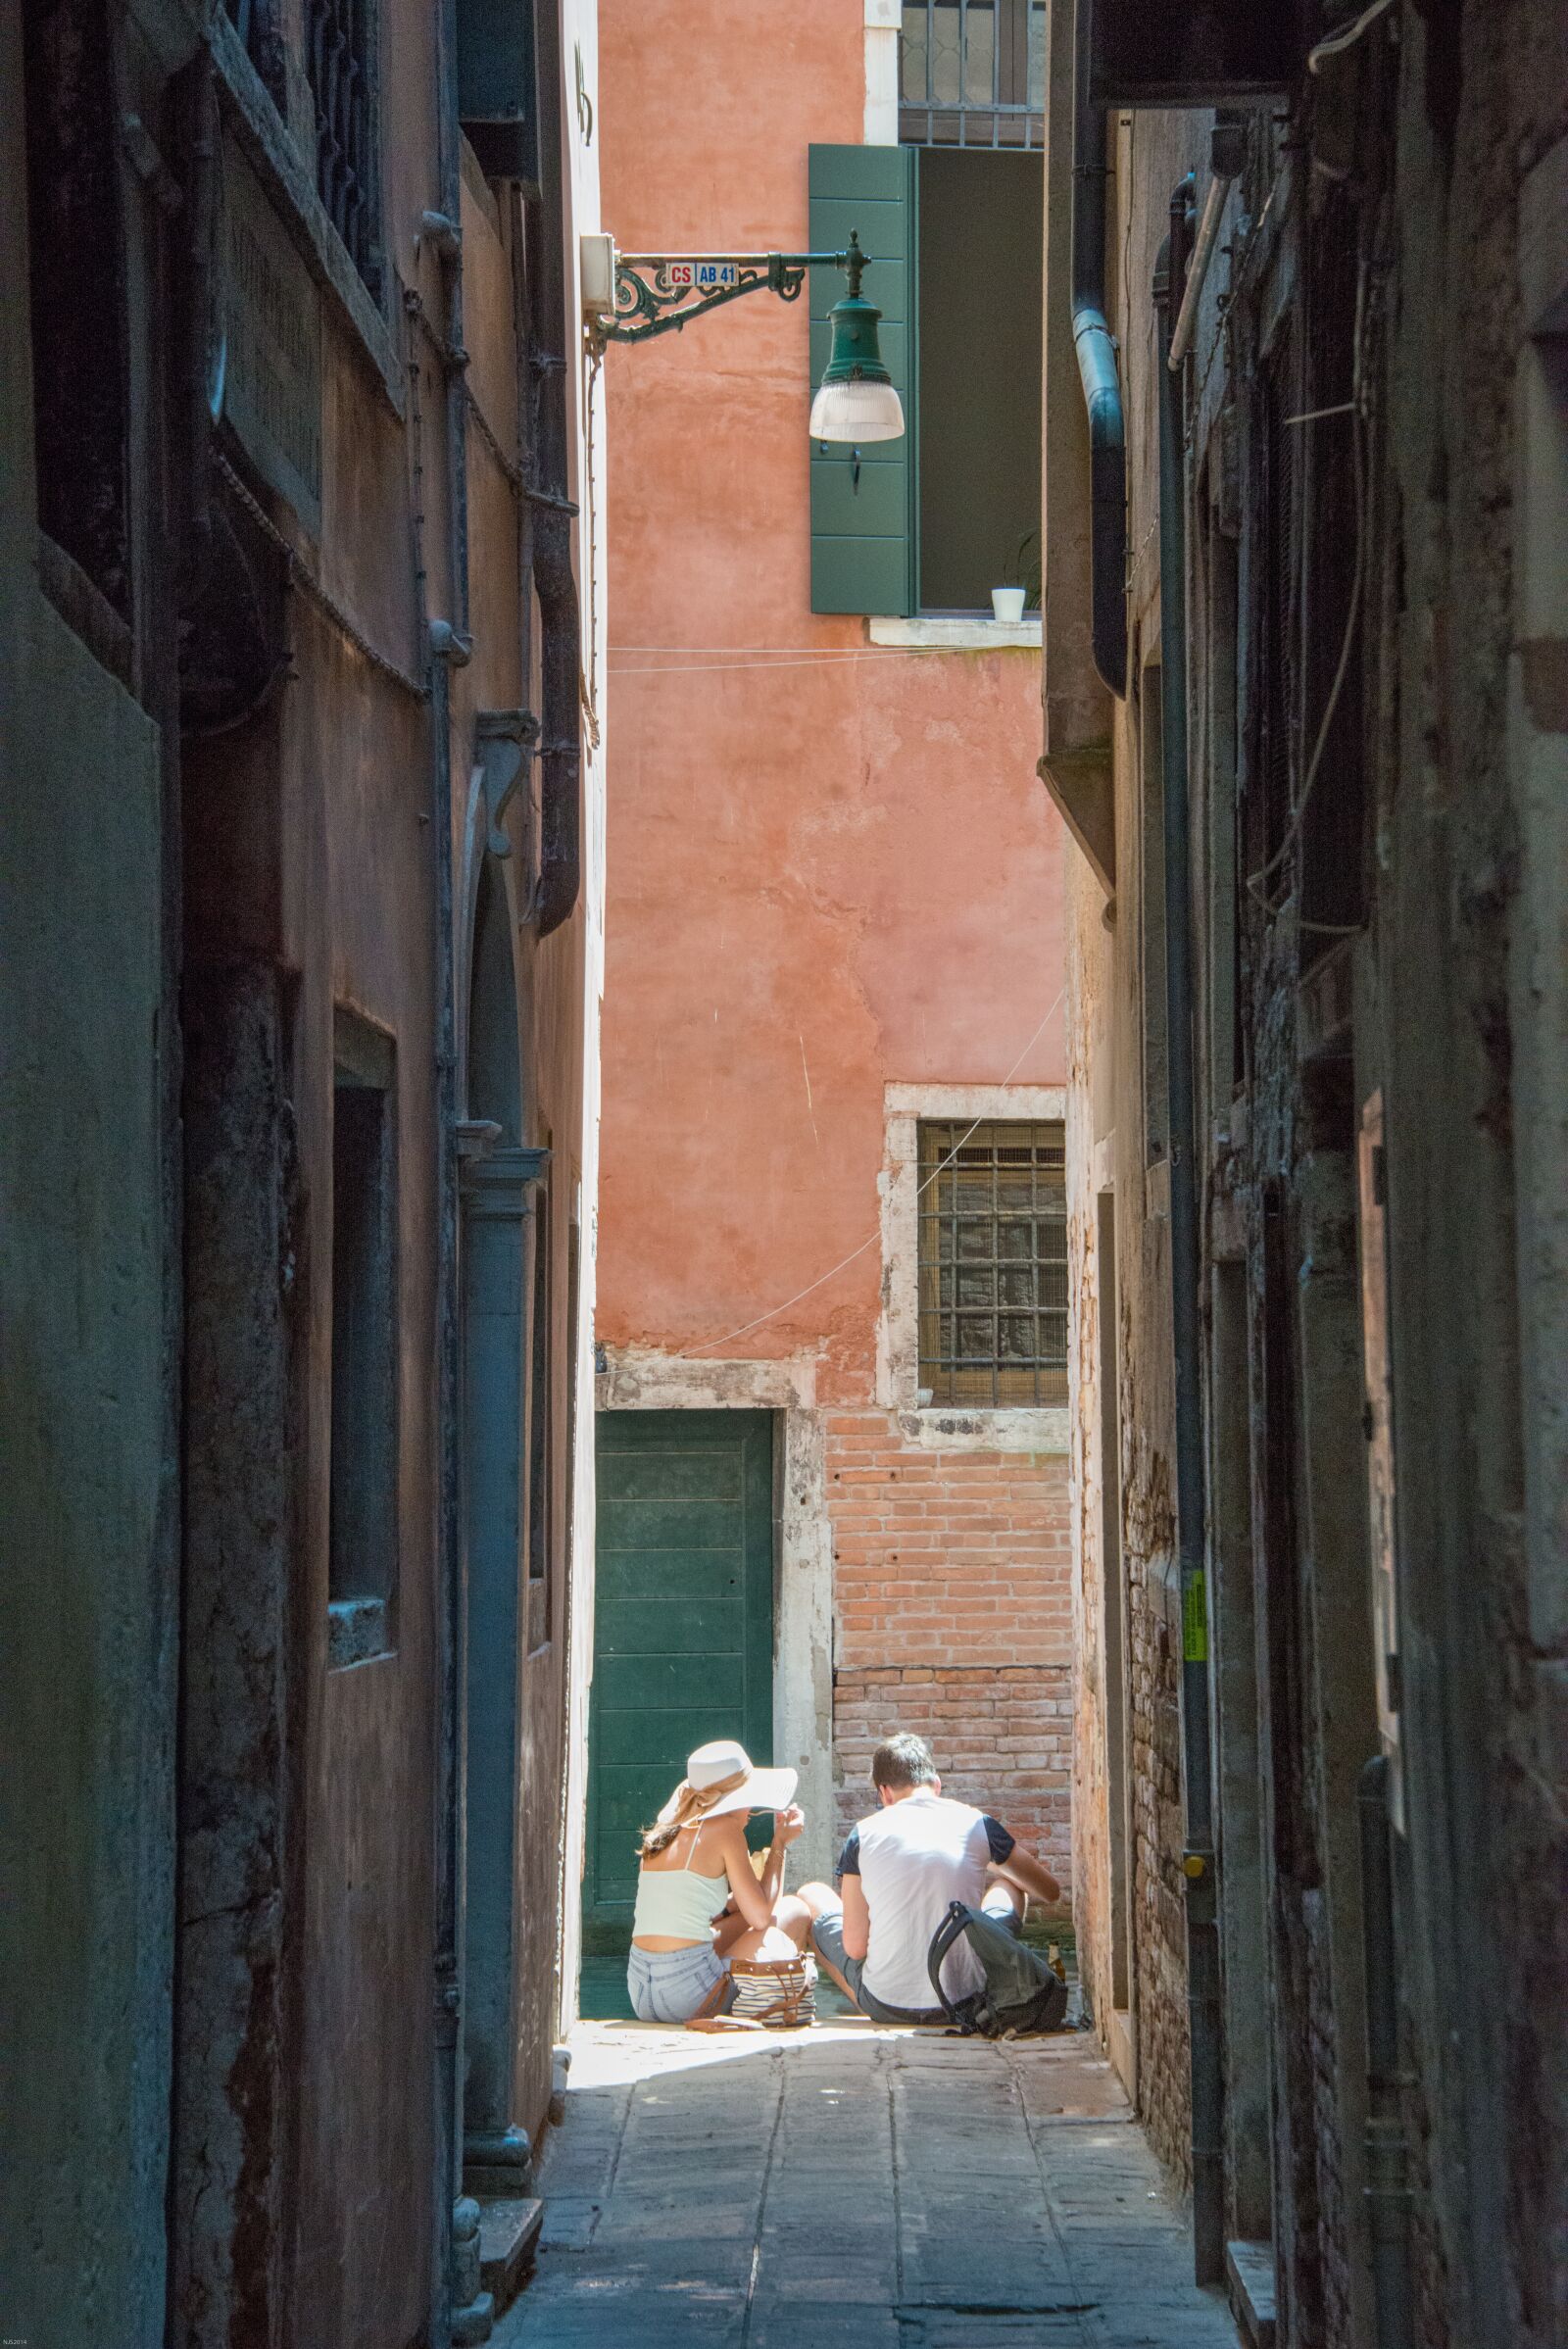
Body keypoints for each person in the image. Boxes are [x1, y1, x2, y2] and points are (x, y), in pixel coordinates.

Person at [800, 1732, 1062, 2026]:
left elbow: (855, 1947)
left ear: (884, 1793)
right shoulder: (978, 1823)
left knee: (812, 1895)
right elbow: (1049, 1891)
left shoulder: (862, 1835)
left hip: (886, 2005)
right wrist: (989, 1861)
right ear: (936, 1785)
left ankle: (873, 2003)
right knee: (1011, 1884)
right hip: (968, 2002)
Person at [627, 1737, 811, 2024]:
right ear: (730, 1801)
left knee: (741, 1919)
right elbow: (762, 1917)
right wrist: (780, 1844)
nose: (750, 1810)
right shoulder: (725, 1829)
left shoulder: (662, 1834)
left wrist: (730, 1907)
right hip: (690, 1996)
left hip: (640, 1992)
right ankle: (778, 2004)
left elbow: (686, 1911)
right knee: (795, 1911)